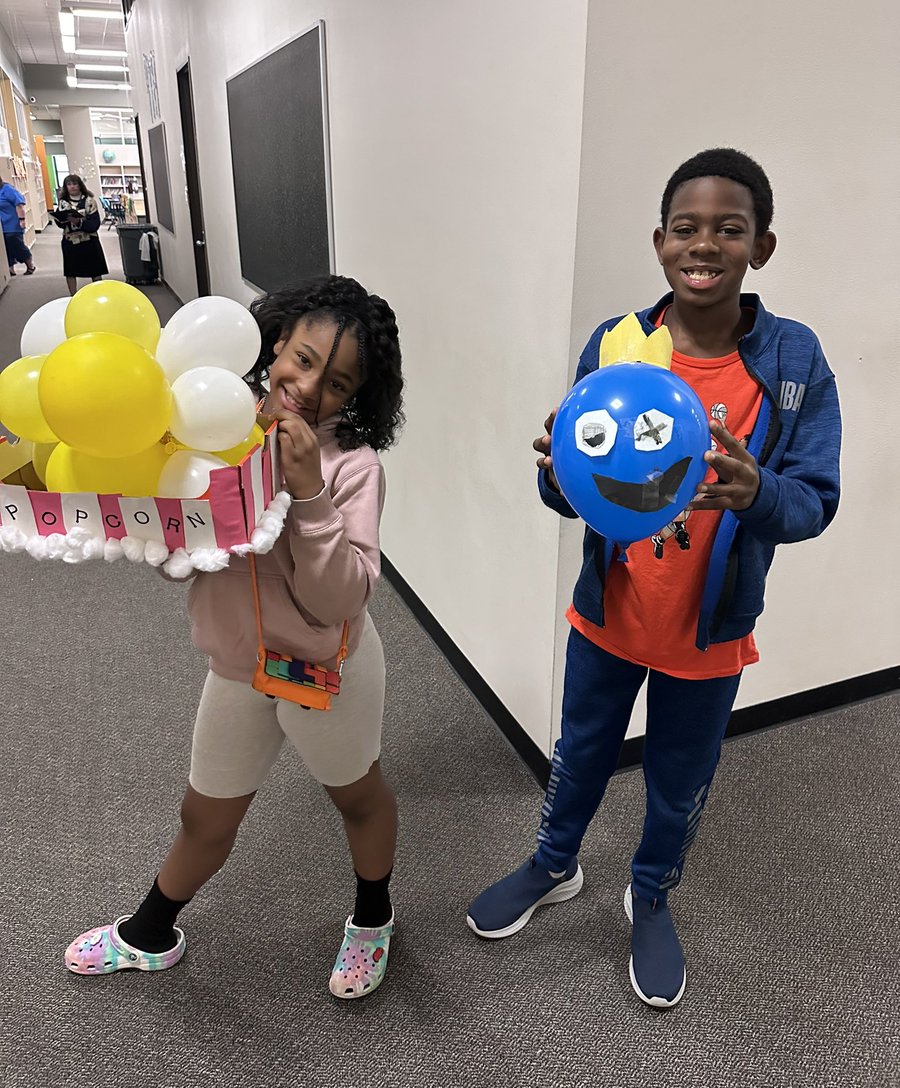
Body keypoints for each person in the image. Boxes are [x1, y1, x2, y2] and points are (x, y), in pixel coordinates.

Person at [467, 149, 841, 1009]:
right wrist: (553, 478)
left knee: (680, 778)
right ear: (659, 240)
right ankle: (553, 865)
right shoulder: (617, 343)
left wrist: (759, 492)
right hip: (610, 613)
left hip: (709, 632)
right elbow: (574, 475)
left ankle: (651, 893)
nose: (703, 244)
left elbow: (815, 500)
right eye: (685, 227)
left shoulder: (792, 362)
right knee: (580, 751)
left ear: (763, 246)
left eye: (729, 229)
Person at [65, 275, 406, 1000]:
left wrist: (308, 491)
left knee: (358, 801)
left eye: (338, 383)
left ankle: (374, 918)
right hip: (236, 666)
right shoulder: (215, 429)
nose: (309, 387)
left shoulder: (351, 469)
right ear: (276, 341)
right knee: (204, 812)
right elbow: (185, 560)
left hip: (326, 672)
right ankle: (150, 932)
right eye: (304, 359)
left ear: (356, 400)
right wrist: (162, 539)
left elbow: (338, 596)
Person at [51, 174, 108, 294]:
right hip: (70, 242)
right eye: (69, 184)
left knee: (95, 270)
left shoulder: (89, 201)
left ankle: (99, 294)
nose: (72, 187)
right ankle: (73, 296)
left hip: (89, 241)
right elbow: (61, 224)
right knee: (71, 271)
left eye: (75, 184)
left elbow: (94, 225)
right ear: (65, 187)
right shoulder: (62, 203)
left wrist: (79, 222)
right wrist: (60, 219)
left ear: (80, 185)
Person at [0, 174, 36, 276]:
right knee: (5, 247)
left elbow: (19, 205)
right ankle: (10, 268)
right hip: (1, 226)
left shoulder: (8, 190)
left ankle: (29, 264)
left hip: (12, 224)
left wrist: (22, 220)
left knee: (16, 244)